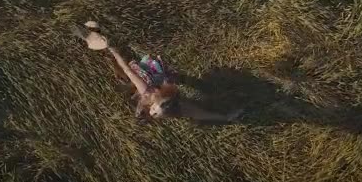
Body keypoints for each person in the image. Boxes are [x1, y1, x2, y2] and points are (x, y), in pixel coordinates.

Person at [72, 21, 241, 122]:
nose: (153, 112)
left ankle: (94, 33)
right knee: (137, 77)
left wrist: (112, 51)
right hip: (151, 76)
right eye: (156, 110)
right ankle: (94, 33)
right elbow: (129, 71)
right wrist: (113, 50)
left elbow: (200, 113)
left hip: (148, 79)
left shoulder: (157, 98)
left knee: (135, 86)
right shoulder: (158, 97)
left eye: (154, 112)